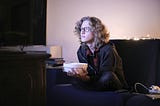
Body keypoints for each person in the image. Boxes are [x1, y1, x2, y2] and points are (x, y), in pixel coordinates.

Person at [67, 16, 128, 91]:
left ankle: (90, 91)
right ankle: (92, 91)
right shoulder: (81, 50)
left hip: (112, 83)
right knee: (74, 80)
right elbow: (87, 73)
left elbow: (105, 75)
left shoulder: (108, 49)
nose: (82, 32)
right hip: (94, 82)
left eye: (86, 29)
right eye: (81, 29)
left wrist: (86, 79)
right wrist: (81, 75)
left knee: (108, 76)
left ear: (96, 32)